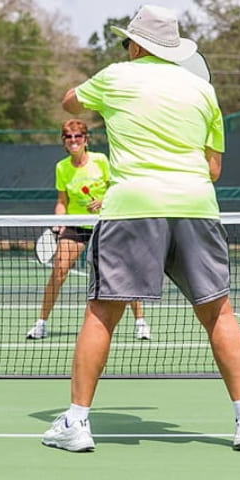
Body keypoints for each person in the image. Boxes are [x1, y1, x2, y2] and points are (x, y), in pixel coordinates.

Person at [42, 4, 240, 452]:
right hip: (196, 206)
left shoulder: (115, 77)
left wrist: (99, 100)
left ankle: (77, 423)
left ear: (139, 44)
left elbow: (69, 101)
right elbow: (214, 167)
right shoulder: (203, 91)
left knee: (102, 313)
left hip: (133, 207)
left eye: (128, 41)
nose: (125, 48)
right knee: (219, 313)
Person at [27, 119, 150, 340]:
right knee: (59, 270)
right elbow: (62, 200)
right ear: (64, 142)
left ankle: (140, 322)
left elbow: (118, 188)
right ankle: (41, 323)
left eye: (77, 136)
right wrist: (58, 221)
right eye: (68, 137)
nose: (73, 141)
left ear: (86, 140)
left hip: (105, 223)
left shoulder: (100, 161)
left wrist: (103, 200)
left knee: (123, 273)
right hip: (76, 225)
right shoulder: (62, 167)